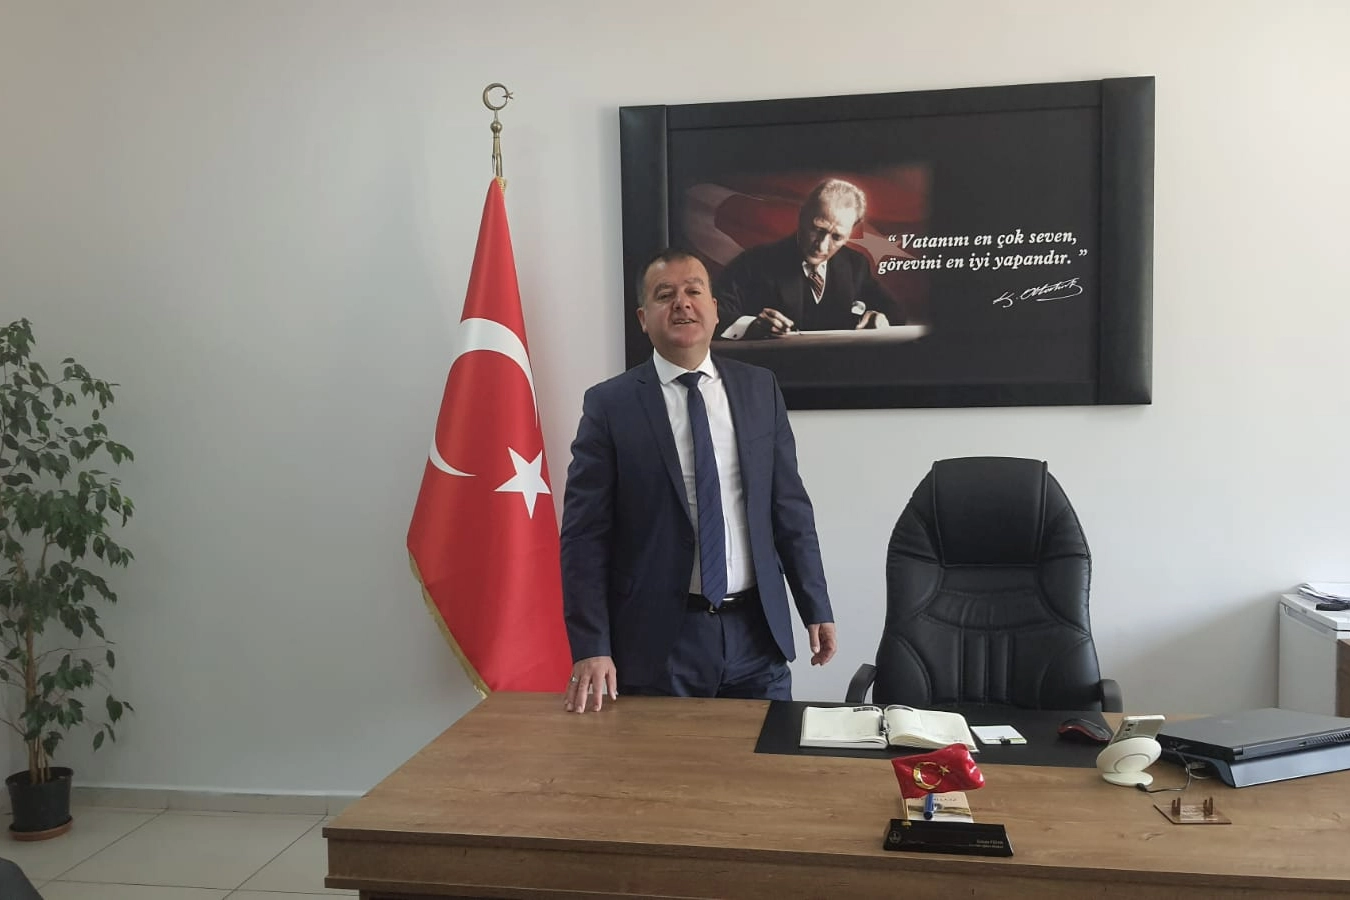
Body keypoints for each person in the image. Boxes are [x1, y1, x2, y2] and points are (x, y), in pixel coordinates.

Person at [560, 249, 836, 711]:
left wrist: (816, 606)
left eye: (693, 291)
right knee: (666, 761)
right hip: (658, 642)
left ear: (715, 308)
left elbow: (789, 508)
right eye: (664, 295)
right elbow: (584, 535)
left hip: (757, 634)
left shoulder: (759, 389)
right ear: (643, 318)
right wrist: (592, 645)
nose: (682, 303)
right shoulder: (610, 405)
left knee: (766, 757)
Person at [714, 178, 905, 338]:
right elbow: (714, 314)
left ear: (852, 231)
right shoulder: (753, 263)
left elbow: (895, 312)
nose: (821, 246)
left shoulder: (856, 265)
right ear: (802, 216)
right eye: (817, 229)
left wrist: (881, 318)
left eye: (837, 237)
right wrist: (751, 325)